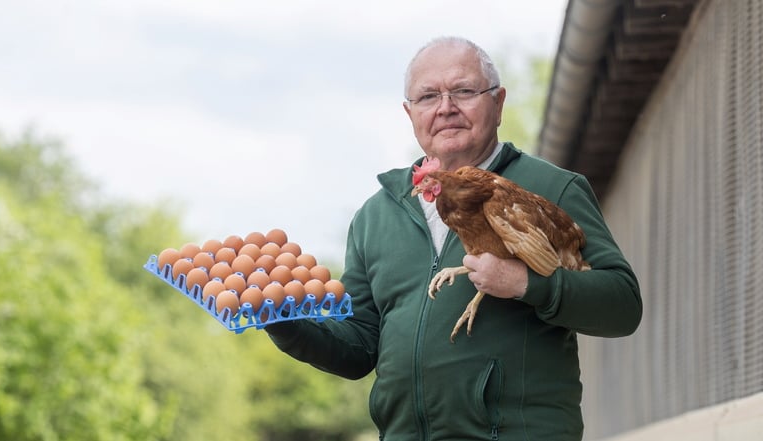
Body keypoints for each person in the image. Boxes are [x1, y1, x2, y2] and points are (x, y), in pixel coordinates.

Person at [265, 36, 642, 440]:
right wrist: (283, 319)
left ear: (498, 103)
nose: (446, 108)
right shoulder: (377, 216)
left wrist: (525, 284)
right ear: (410, 113)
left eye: (463, 91)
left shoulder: (552, 187)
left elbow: (621, 305)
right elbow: (359, 349)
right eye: (428, 96)